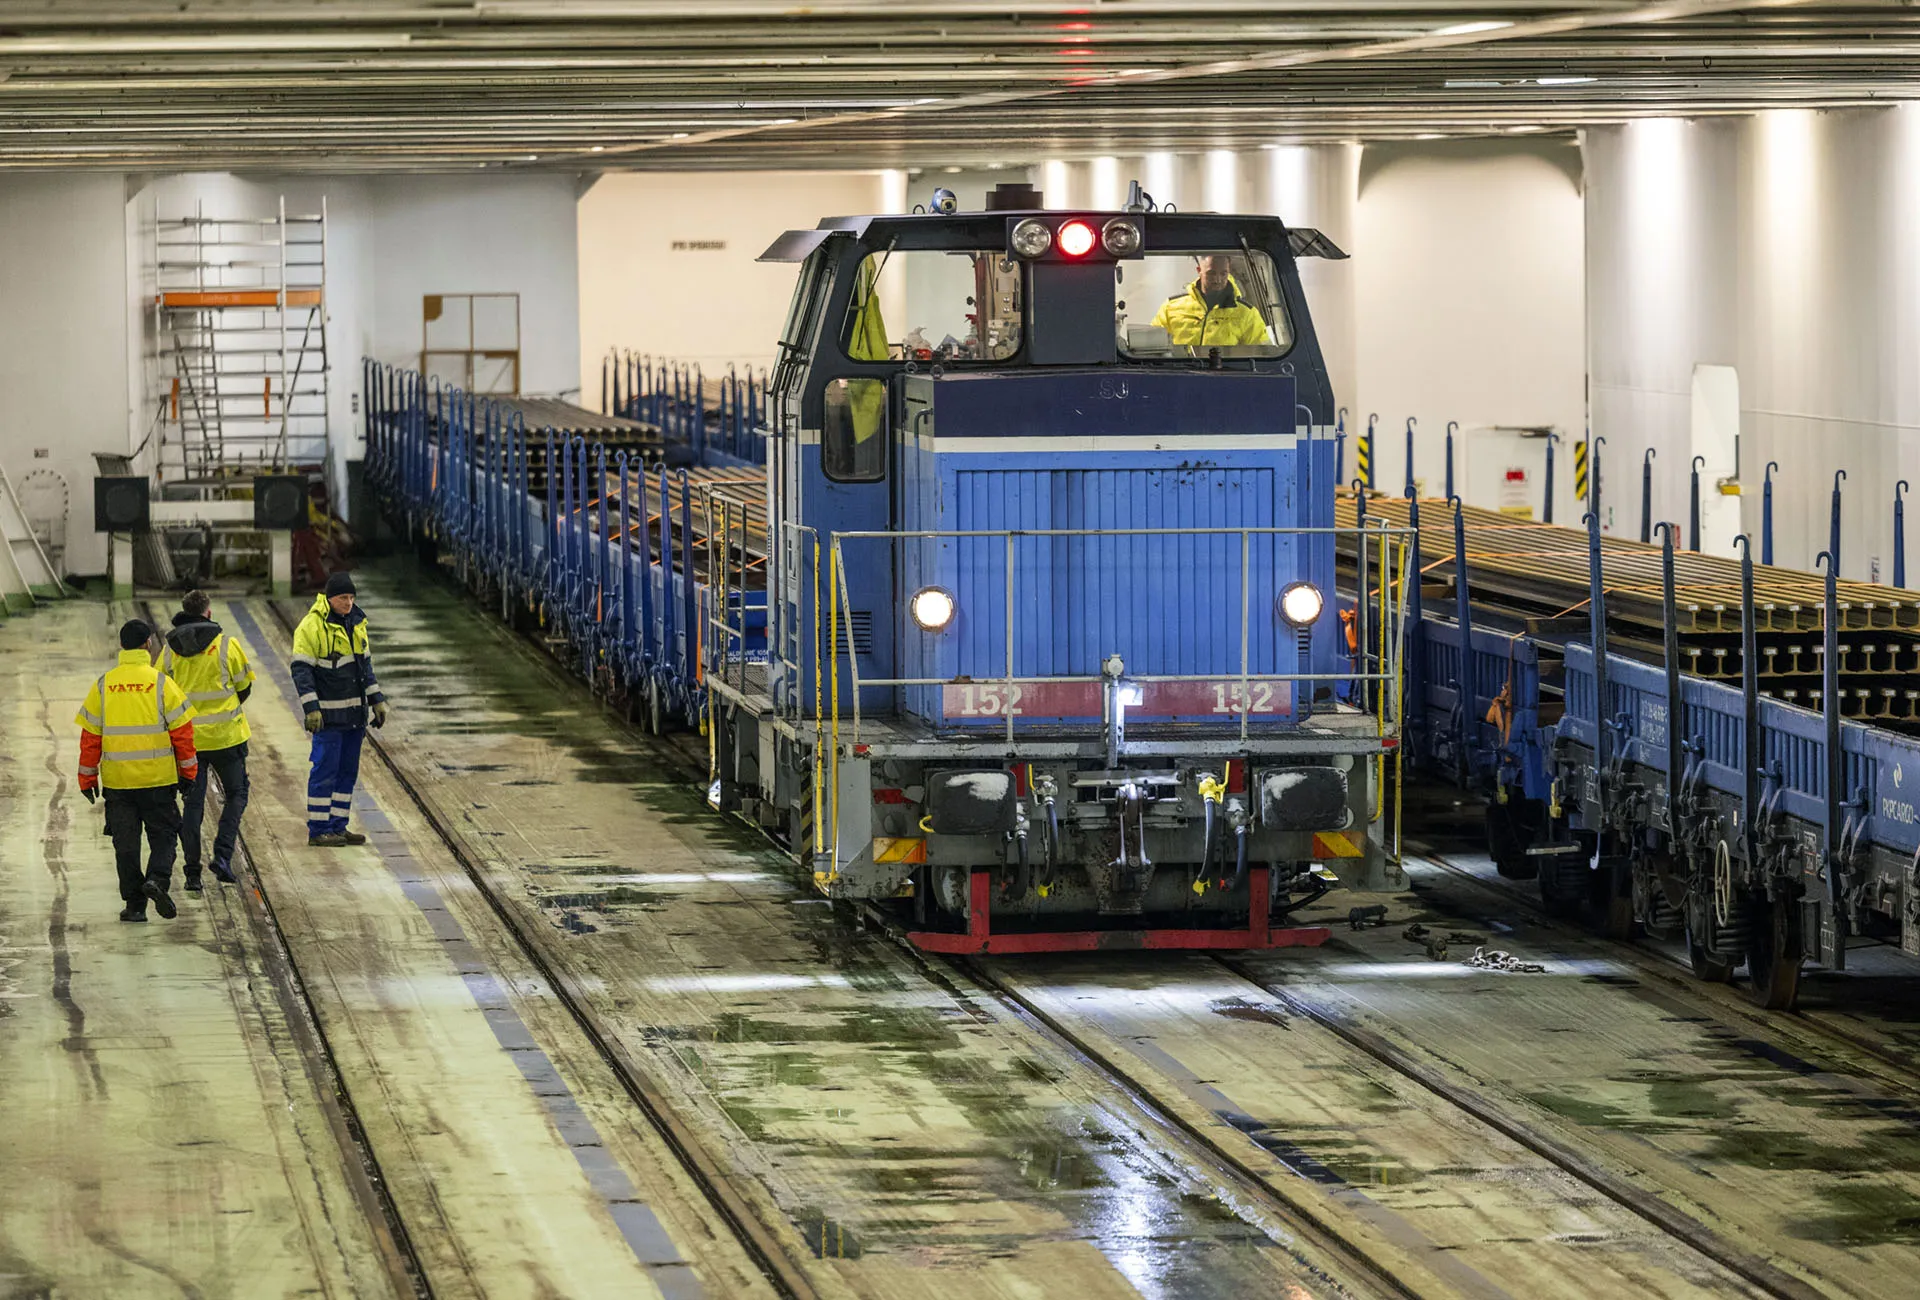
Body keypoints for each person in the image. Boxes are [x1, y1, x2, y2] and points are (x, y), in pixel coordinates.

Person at [75, 620, 199, 922]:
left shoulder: (104, 685)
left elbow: (90, 737)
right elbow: (183, 734)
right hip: (157, 780)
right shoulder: (161, 683)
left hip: (119, 783)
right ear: (148, 644)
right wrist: (189, 773)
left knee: (126, 845)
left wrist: (87, 778)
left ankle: (134, 906)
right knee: (165, 835)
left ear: (122, 646)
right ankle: (157, 879)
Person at [162, 590, 256, 890]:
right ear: (209, 613)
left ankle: (192, 874)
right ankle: (223, 856)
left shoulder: (169, 650)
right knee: (237, 794)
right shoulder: (226, 645)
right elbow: (244, 687)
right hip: (227, 739)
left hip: (189, 742)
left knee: (193, 806)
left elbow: (161, 695)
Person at [290, 571, 387, 846]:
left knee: (346, 773)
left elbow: (365, 668)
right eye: (343, 597)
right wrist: (312, 709)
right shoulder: (311, 627)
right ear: (330, 598)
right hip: (329, 718)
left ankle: (338, 825)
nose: (348, 602)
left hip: (354, 717)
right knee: (325, 771)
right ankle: (319, 830)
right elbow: (301, 671)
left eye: (351, 597)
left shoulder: (357, 624)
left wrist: (376, 700)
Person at [1150, 254, 1273, 350]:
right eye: (1211, 273)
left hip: (1227, 374)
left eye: (1223, 274)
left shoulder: (1247, 314)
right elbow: (1152, 347)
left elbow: (1262, 354)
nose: (1217, 279)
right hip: (1180, 373)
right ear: (1199, 270)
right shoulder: (1171, 308)